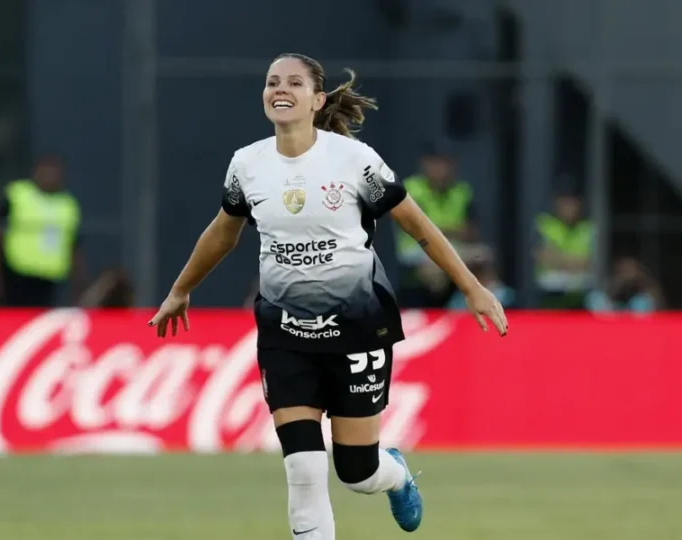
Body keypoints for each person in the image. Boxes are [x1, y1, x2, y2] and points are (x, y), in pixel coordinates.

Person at [149, 53, 508, 539]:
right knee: (302, 472)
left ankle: (396, 474)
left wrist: (472, 287)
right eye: (273, 81)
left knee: (357, 472)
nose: (280, 88)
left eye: (293, 82)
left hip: (358, 326)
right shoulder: (247, 164)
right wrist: (180, 289)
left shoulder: (352, 160)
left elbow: (418, 225)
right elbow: (223, 233)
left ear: (317, 100)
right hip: (285, 332)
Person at [0, 156, 85, 307]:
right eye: (46, 172)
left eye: (55, 174)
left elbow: (74, 247)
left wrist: (78, 285)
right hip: (17, 275)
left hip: (52, 279)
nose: (51, 177)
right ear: (36, 172)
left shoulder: (68, 205)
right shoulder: (17, 194)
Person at [395, 144, 479, 307]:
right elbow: (417, 228)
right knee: (435, 263)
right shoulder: (412, 188)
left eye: (445, 164)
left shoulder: (461, 191)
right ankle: (438, 309)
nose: (440, 169)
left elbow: (471, 232)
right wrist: (451, 229)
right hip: (417, 248)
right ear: (425, 165)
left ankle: (477, 310)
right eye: (436, 164)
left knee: (483, 257)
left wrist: (439, 228)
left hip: (455, 247)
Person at [535, 189, 593, 309]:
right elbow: (543, 257)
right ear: (557, 203)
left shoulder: (587, 227)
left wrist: (559, 259)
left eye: (573, 203)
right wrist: (576, 261)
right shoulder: (545, 224)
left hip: (581, 297)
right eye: (565, 202)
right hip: (549, 296)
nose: (569, 207)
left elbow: (591, 262)